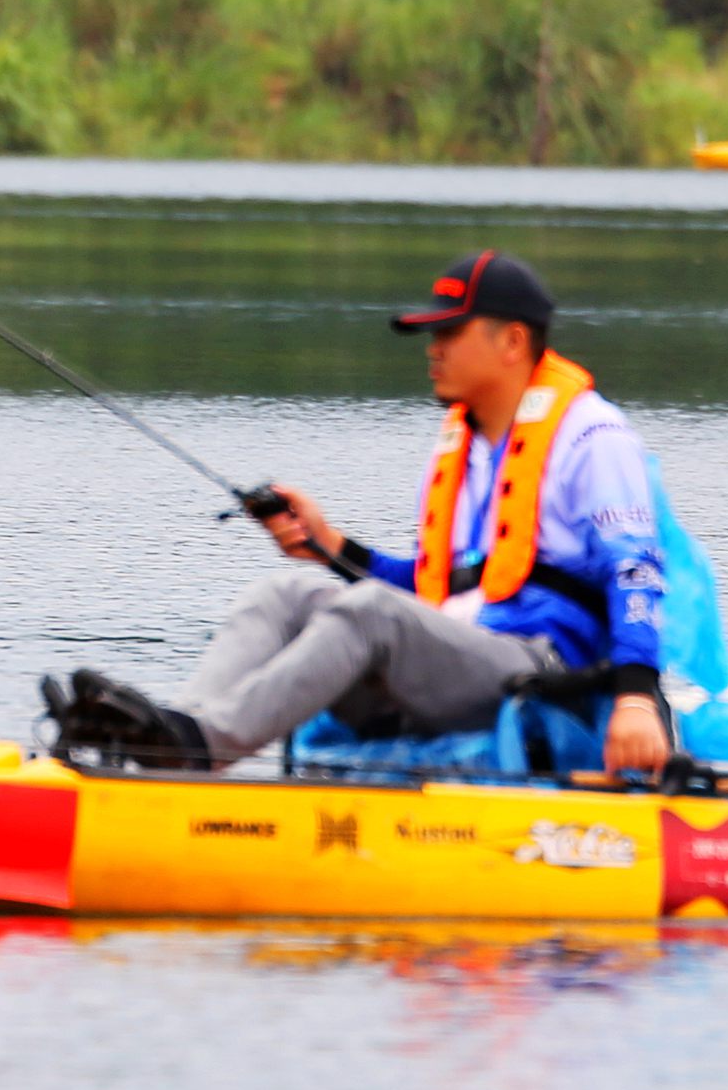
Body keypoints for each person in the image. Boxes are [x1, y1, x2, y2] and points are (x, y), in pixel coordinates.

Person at [47, 249, 671, 780]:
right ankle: (169, 735)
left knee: (368, 615)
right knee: (287, 591)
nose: (434, 349)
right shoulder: (470, 444)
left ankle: (194, 750)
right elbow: (433, 593)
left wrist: (637, 700)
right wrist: (331, 544)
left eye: (450, 333)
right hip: (458, 662)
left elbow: (637, 571)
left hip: (542, 674)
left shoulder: (592, 436)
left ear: (512, 341)